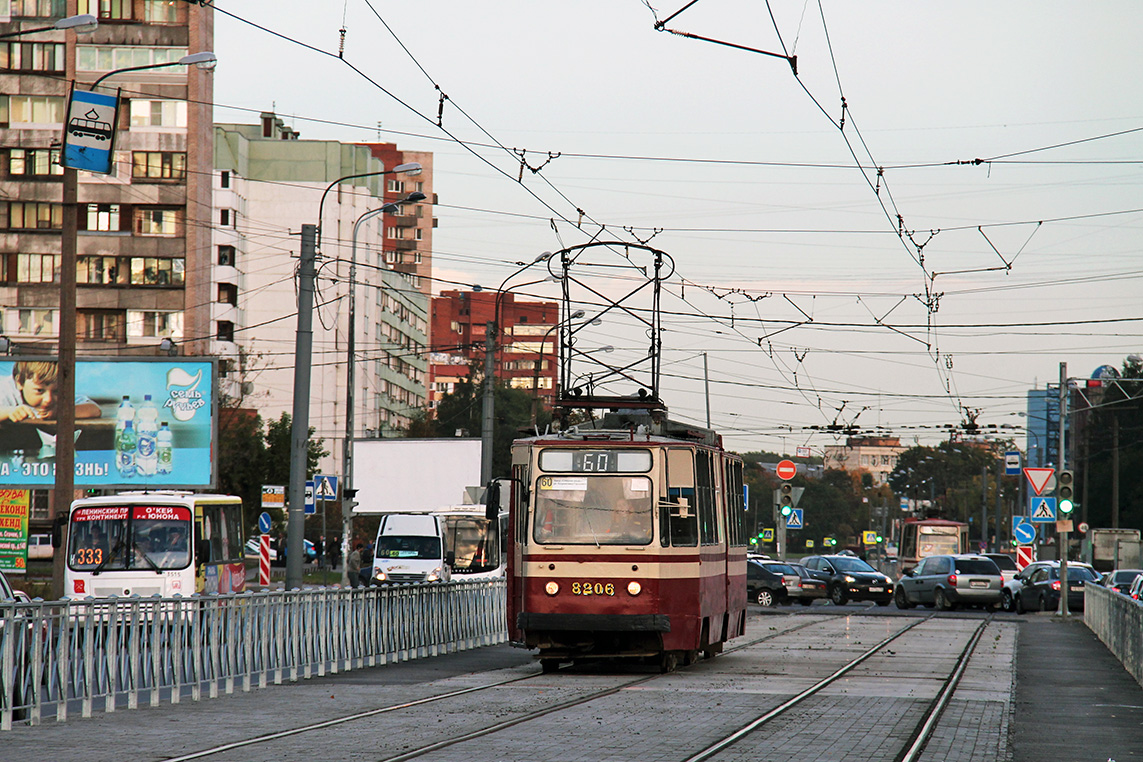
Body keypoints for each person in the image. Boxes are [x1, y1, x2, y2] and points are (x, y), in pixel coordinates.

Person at [0, 361, 102, 423]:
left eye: (56, 391)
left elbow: (94, 410)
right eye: (40, 390)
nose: (48, 399)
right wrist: (9, 412)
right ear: (19, 382)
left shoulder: (61, 397)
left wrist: (60, 412)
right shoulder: (4, 389)